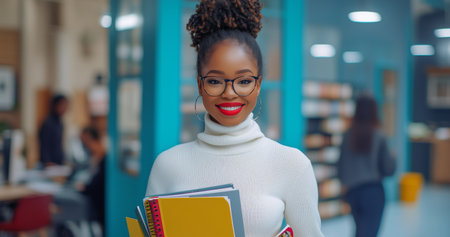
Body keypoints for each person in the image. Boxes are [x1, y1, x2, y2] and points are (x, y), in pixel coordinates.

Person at [146, 1, 323, 236]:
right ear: (200, 84)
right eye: (215, 81)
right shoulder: (167, 165)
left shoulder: (292, 165)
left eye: (244, 81)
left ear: (258, 85)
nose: (230, 93)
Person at [337, 94, 396, 237]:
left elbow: (340, 166)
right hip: (373, 193)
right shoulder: (379, 135)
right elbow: (389, 169)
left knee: (360, 232)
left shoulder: (347, 135)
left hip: (353, 192)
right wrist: (394, 157)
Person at [76, 126, 106, 231]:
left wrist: (84, 188)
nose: (84, 146)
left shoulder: (104, 160)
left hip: (102, 209)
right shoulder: (93, 158)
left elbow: (96, 185)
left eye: (85, 142)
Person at [39, 94, 69, 166]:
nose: (64, 108)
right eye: (62, 105)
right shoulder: (48, 123)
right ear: (55, 105)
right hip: (49, 164)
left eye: (66, 106)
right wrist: (47, 161)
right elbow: (44, 145)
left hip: (58, 163)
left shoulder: (60, 123)